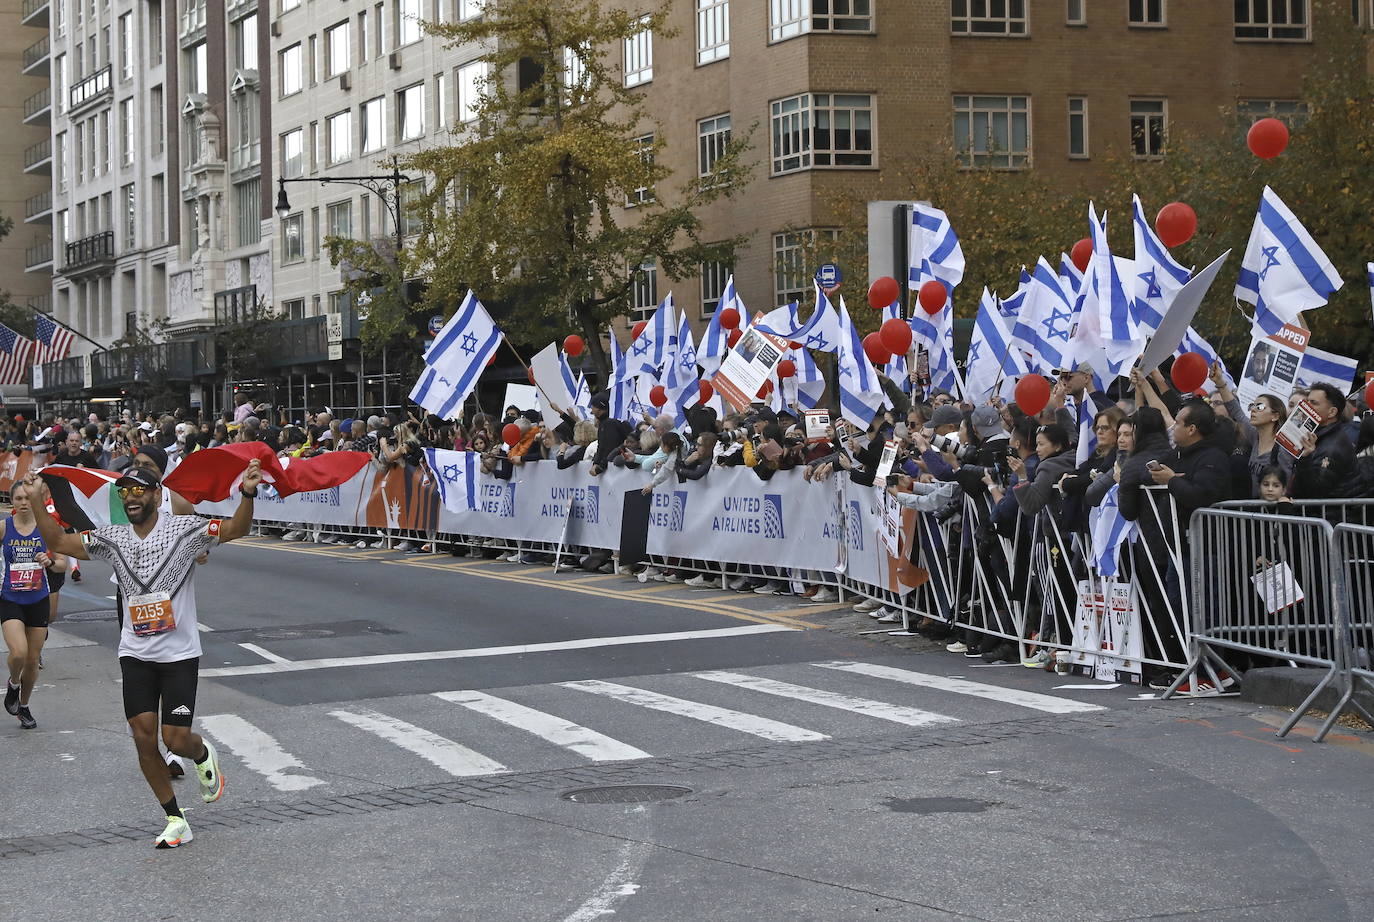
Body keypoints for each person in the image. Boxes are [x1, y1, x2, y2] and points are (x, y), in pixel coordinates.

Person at [25, 459, 264, 849]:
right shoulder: (113, 537)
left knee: (176, 739)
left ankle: (201, 753)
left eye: (138, 490)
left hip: (179, 654)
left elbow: (237, 528)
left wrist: (248, 494)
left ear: (156, 494)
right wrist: (37, 500)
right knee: (142, 736)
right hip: (135, 651)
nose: (130, 497)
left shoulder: (185, 530)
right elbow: (57, 542)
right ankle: (175, 818)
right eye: (124, 491)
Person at [3, 482, 67, 729]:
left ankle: (24, 705)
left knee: (32, 660)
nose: (23, 503)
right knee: (18, 652)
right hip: (10, 599)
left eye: (27, 498)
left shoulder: (47, 528)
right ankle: (13, 684)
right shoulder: (4, 528)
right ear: (12, 501)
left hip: (38, 598)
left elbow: (62, 563)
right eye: (18, 498)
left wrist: (49, 561)